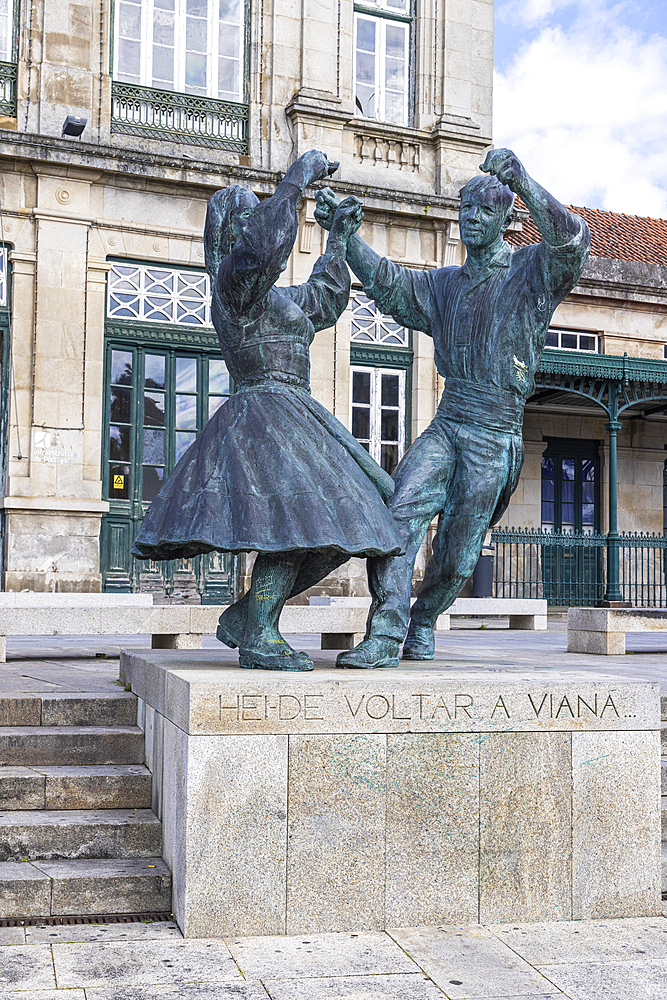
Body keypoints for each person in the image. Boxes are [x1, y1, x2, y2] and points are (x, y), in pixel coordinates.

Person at [314, 148, 591, 668]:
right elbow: (391, 285)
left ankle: (424, 619)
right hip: (449, 420)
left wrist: (524, 182)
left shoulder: (532, 272)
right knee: (400, 512)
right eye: (465, 211)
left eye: (483, 211)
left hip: (495, 431)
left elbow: (574, 241)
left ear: (507, 219)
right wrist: (347, 239)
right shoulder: (444, 285)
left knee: (459, 555)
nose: (470, 220)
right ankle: (385, 630)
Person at [132, 150, 403, 671]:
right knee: (297, 523)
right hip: (263, 412)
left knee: (366, 516)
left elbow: (324, 297)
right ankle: (259, 632)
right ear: (232, 234)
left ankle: (248, 615)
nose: (260, 224)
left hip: (296, 412)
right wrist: (295, 181)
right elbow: (264, 251)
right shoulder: (235, 288)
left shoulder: (276, 299)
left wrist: (339, 239)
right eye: (249, 218)